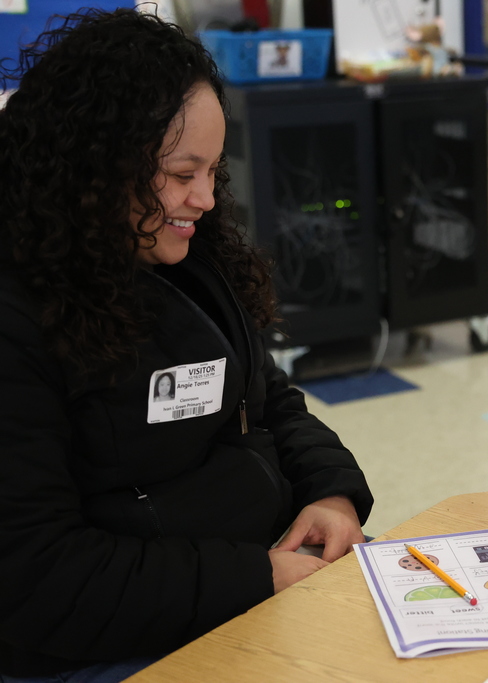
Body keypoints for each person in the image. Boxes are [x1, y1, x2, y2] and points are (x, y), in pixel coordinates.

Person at [0, 9, 373, 681]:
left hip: (242, 585)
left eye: (211, 170)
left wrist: (331, 491)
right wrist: (255, 576)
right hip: (99, 644)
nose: (204, 198)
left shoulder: (182, 255)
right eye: (179, 173)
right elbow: (36, 574)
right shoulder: (19, 314)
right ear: (93, 163)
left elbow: (267, 398)